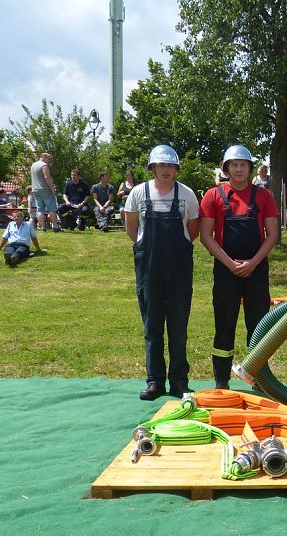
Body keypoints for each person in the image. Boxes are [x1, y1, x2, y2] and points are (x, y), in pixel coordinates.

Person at [199, 144, 279, 389]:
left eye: (243, 164)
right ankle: (221, 381)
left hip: (256, 270)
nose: (239, 169)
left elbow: (273, 235)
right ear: (226, 168)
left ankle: (259, 380)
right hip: (226, 271)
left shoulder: (264, 196)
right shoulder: (213, 195)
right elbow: (205, 236)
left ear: (250, 168)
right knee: (224, 325)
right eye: (234, 165)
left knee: (259, 326)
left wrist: (253, 263)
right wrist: (230, 264)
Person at [124, 144, 200, 400]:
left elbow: (193, 231)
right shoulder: (137, 193)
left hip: (179, 268)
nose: (166, 170)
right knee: (152, 325)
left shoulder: (187, 194)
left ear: (176, 168)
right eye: (162, 165)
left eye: (171, 166)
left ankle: (179, 381)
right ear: (153, 168)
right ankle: (155, 381)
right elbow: (132, 231)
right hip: (149, 268)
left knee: (178, 326)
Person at [30, 152, 60, 232]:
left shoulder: (33, 165)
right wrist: (52, 188)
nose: (49, 161)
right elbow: (47, 177)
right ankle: (55, 227)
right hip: (45, 189)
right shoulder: (44, 165)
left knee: (40, 209)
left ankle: (43, 227)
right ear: (44, 157)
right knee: (52, 209)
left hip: (35, 190)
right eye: (49, 159)